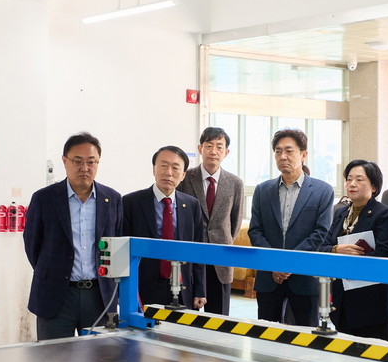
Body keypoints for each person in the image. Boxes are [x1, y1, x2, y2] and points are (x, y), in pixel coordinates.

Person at [24, 132, 122, 340]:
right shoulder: (44, 199)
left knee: (99, 357)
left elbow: (118, 242)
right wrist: (53, 273)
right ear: (64, 161)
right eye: (77, 161)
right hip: (55, 295)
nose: (84, 168)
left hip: (99, 296)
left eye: (91, 162)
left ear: (98, 162)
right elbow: (32, 245)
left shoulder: (112, 199)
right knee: (54, 356)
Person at [248, 129, 334, 326]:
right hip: (269, 277)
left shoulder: (322, 191)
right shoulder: (262, 190)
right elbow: (255, 231)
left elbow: (321, 232)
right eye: (278, 151)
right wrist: (274, 264)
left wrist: (288, 263)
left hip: (304, 277)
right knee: (266, 334)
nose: (283, 156)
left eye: (289, 151)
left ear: (303, 155)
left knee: (307, 334)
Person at [122, 146, 206, 310]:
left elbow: (198, 250)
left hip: (182, 286)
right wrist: (123, 290)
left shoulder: (192, 205)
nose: (168, 173)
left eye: (175, 168)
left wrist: (200, 290)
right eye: (163, 165)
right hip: (143, 286)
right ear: (154, 169)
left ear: (183, 175)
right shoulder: (131, 202)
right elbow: (124, 249)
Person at [319, 160, 388, 339]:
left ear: (374, 187)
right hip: (342, 298)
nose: (352, 184)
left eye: (359, 179)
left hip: (371, 301)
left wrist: (354, 261)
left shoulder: (383, 214)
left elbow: (385, 253)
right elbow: (322, 246)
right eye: (349, 179)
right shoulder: (341, 213)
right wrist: (336, 249)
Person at [178, 127, 244, 315]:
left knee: (219, 317)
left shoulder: (235, 183)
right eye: (209, 146)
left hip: (221, 257)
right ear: (200, 148)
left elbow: (235, 221)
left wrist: (222, 240)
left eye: (219, 147)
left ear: (226, 152)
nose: (213, 151)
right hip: (192, 255)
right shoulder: (185, 178)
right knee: (187, 315)